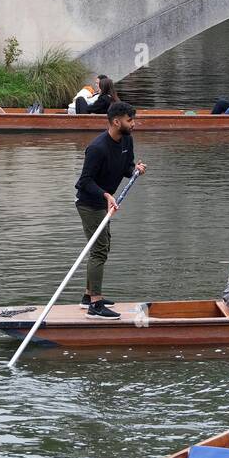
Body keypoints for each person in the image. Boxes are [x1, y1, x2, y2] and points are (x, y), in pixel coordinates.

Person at [75, 102, 146, 317]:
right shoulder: (97, 148)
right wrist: (106, 195)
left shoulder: (127, 140)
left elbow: (126, 168)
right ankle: (94, 305)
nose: (133, 124)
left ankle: (88, 295)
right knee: (98, 250)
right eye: (129, 120)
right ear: (116, 122)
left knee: (102, 248)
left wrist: (136, 170)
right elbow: (84, 181)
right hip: (89, 204)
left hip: (106, 204)